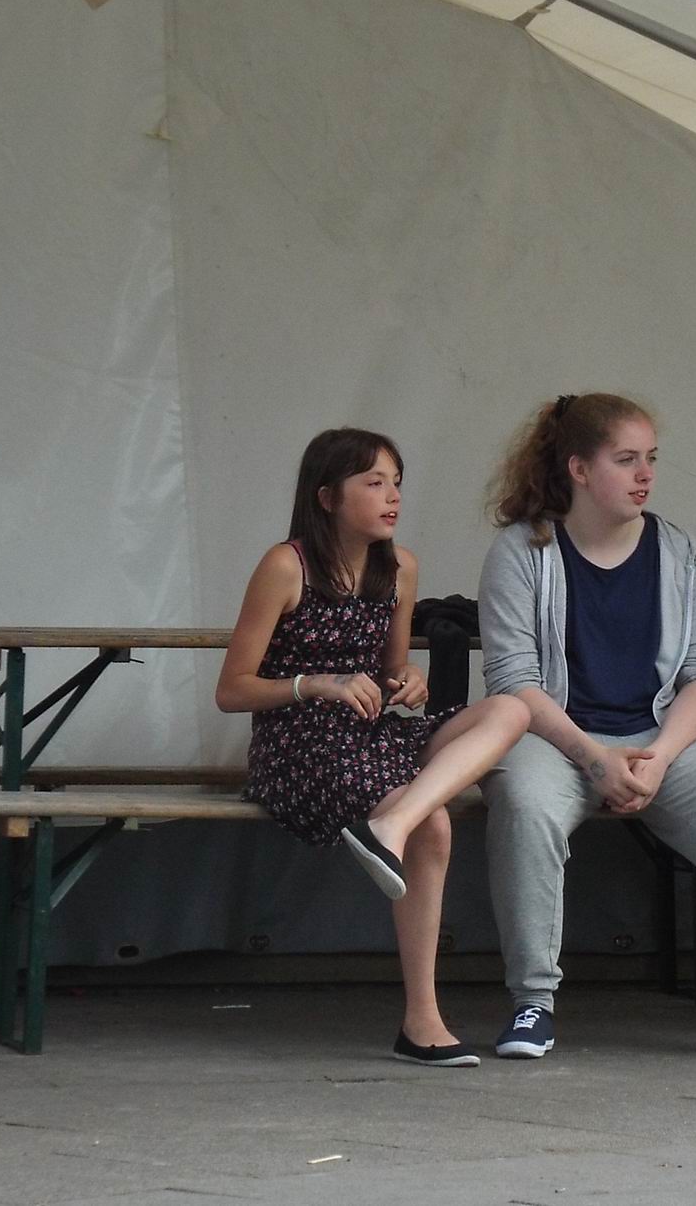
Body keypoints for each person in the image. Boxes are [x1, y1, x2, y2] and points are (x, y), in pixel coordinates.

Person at [477, 393, 696, 1068]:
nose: (645, 475)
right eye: (626, 460)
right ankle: (532, 1001)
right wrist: (593, 758)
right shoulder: (523, 550)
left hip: (658, 738)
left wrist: (662, 755)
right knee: (523, 806)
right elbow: (513, 680)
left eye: (651, 459)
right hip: (554, 739)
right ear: (580, 469)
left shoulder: (674, 548)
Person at [217, 427, 529, 1068]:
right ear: (327, 496)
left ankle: (391, 822)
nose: (393, 497)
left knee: (511, 709)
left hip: (372, 735)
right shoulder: (287, 566)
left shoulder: (400, 568)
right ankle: (423, 1021)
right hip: (299, 744)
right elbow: (232, 689)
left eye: (397, 484)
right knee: (436, 824)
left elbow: (391, 674)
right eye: (375, 483)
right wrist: (315, 683)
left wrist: (410, 680)